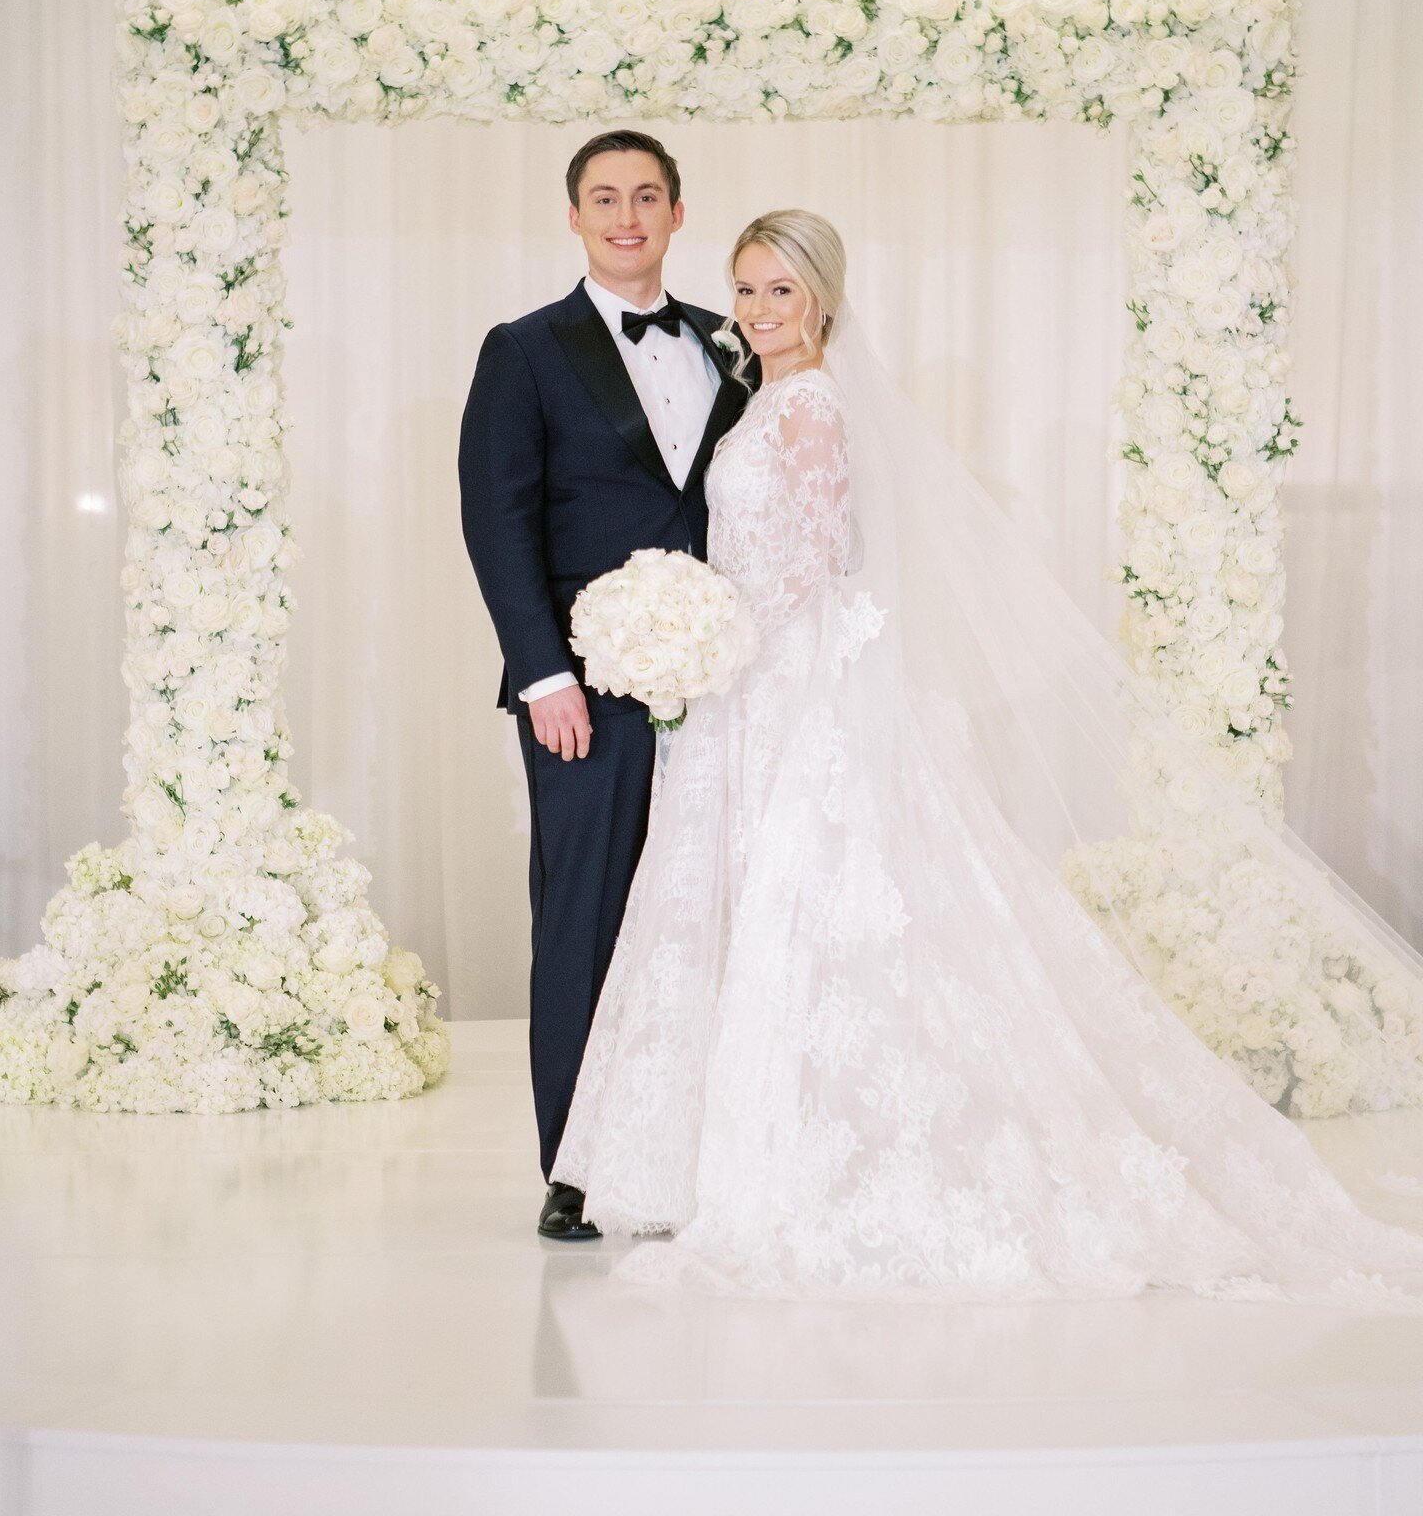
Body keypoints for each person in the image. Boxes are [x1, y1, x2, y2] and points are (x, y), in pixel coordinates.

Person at [551, 208, 1423, 1304]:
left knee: (816, 903)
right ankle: (733, 1147)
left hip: (790, 681)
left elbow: (816, 560)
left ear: (823, 296)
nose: (763, 310)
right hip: (747, 688)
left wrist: (707, 630)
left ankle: (812, 1154)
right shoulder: (766, 397)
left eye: (783, 290)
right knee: (756, 906)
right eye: (749, 290)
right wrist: (698, 638)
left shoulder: (811, 406)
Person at [457, 131, 751, 1240]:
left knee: (702, 915)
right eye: (603, 197)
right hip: (584, 686)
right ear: (573, 216)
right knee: (584, 915)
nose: (626, 215)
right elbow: (498, 517)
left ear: (679, 212)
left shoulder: (734, 346)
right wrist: (543, 675)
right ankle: (575, 1167)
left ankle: (690, 1151)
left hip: (724, 679)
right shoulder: (524, 350)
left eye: (647, 196)